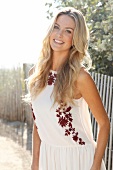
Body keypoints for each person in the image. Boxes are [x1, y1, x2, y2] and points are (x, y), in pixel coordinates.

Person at [28, 7, 110, 170]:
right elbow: (38, 124)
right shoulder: (35, 75)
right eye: (56, 27)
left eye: (68, 31)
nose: (59, 35)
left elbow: (104, 124)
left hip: (79, 159)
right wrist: (35, 163)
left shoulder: (80, 77)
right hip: (48, 158)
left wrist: (95, 166)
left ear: (75, 38)